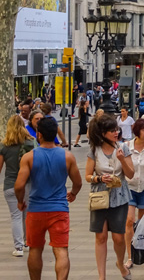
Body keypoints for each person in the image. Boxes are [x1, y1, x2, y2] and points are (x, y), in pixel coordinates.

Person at [14, 117, 82, 280]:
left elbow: (19, 186)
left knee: (35, 249)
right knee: (61, 250)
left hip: (36, 210)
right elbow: (78, 182)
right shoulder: (67, 157)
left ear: (39, 135)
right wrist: (72, 193)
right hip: (59, 210)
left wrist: (20, 201)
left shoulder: (29, 157)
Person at [85, 113, 135, 280]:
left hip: (119, 195)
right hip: (100, 195)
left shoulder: (123, 148)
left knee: (118, 238)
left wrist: (122, 159)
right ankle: (102, 276)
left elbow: (130, 174)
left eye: (117, 130)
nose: (116, 133)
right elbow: (87, 176)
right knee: (101, 236)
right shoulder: (94, 150)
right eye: (112, 130)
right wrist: (99, 178)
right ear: (102, 133)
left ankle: (120, 264)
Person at [0, 115, 36, 256]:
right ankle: (28, 242)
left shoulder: (4, 145)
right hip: (27, 184)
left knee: (15, 215)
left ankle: (18, 247)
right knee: (27, 214)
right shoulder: (31, 143)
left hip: (10, 184)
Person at [123, 118, 144, 271]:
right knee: (129, 221)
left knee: (141, 224)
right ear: (137, 131)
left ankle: (139, 251)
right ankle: (129, 256)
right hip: (129, 188)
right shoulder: (127, 146)